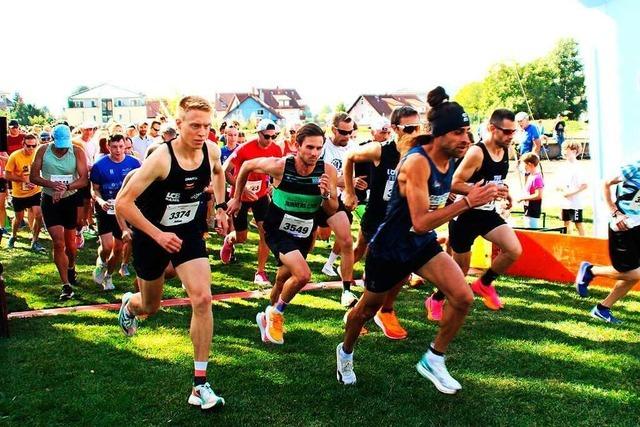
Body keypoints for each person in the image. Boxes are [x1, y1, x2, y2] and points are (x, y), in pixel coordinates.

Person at [336, 86, 498, 393]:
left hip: (420, 246)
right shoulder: (415, 162)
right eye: (458, 133)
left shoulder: (450, 157)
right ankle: (345, 352)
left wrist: (481, 192)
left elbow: (447, 185)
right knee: (365, 311)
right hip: (390, 248)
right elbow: (421, 222)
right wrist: (467, 203)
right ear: (438, 135)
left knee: (463, 297)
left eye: (467, 131)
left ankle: (434, 359)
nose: (466, 139)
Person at [115, 96, 228, 410]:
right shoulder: (161, 159)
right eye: (195, 125)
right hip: (152, 236)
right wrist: (157, 234)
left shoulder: (212, 150)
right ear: (179, 125)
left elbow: (218, 173)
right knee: (151, 306)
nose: (202, 132)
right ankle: (131, 304)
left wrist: (219, 207)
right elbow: (122, 203)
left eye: (207, 126)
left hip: (188, 233)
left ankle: (200, 385)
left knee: (203, 298)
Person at [227, 123, 338, 344]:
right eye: (309, 147)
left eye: (319, 148)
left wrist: (326, 195)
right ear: (297, 146)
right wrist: (237, 197)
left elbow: (332, 208)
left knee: (282, 279)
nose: (314, 153)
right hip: (277, 229)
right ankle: (277, 313)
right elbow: (247, 166)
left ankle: (265, 318)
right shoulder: (280, 166)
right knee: (304, 275)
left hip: (305, 231)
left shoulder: (327, 171)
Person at [427, 109, 522, 318]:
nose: (510, 136)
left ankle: (484, 284)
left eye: (513, 132)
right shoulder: (477, 152)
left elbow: (494, 180)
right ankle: (435, 299)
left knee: (513, 250)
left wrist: (505, 193)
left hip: (487, 213)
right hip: (465, 214)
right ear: (491, 128)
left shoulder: (506, 149)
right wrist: (484, 191)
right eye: (506, 132)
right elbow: (453, 183)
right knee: (459, 272)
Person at [342, 109, 419, 339]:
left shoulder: (418, 154)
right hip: (377, 218)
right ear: (395, 129)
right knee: (379, 270)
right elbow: (349, 158)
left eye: (418, 127)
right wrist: (349, 191)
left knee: (403, 267)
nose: (414, 133)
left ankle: (384, 310)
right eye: (408, 129)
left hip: (401, 220)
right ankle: (361, 311)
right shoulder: (379, 150)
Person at [575, 157, 640, 323]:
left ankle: (602, 309)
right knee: (632, 273)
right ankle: (591, 270)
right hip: (624, 225)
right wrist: (614, 212)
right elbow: (605, 183)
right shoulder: (634, 166)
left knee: (632, 275)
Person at [220, 119, 282, 285]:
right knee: (242, 237)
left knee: (265, 232)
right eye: (266, 136)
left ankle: (260, 272)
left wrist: (273, 186)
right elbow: (224, 171)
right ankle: (229, 240)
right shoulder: (244, 149)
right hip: (240, 196)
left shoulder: (276, 149)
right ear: (258, 133)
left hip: (261, 196)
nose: (270, 140)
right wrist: (241, 188)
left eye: (273, 136)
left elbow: (279, 172)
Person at [30, 124, 88, 300]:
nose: (63, 148)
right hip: (49, 199)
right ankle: (66, 285)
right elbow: (33, 177)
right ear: (52, 140)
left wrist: (65, 188)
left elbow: (84, 179)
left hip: (70, 199)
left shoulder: (77, 151)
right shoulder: (42, 151)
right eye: (60, 144)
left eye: (65, 144)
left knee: (71, 245)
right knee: (58, 242)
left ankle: (71, 266)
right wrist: (52, 185)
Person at [90, 134, 141, 290]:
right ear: (108, 146)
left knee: (118, 248)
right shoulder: (99, 165)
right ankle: (102, 261)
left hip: (124, 210)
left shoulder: (135, 163)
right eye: (114, 147)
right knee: (106, 247)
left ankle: (108, 276)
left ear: (126, 146)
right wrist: (100, 201)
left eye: (121, 147)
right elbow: (94, 190)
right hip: (105, 209)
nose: (118, 150)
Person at [318, 113, 359, 307]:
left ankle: (347, 291)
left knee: (347, 241)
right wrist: (349, 183)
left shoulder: (353, 148)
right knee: (310, 242)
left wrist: (351, 191)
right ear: (333, 129)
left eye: (350, 132)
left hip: (336, 201)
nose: (347, 136)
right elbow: (319, 177)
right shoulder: (321, 147)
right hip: (314, 200)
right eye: (343, 132)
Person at [4, 134, 45, 251]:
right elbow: (7, 174)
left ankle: (35, 240)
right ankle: (14, 235)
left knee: (39, 215)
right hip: (19, 193)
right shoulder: (15, 156)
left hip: (35, 192)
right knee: (18, 218)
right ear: (23, 144)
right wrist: (23, 179)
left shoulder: (38, 154)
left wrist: (37, 180)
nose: (31, 148)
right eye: (29, 146)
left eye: (34, 146)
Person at [558, 142, 588, 235]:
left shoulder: (578, 167)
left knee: (578, 223)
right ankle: (567, 243)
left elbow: (584, 185)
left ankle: (584, 242)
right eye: (563, 149)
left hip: (575, 202)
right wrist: (562, 190)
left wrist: (571, 193)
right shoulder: (563, 167)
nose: (563, 152)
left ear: (574, 151)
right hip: (565, 202)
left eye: (566, 150)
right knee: (566, 223)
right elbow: (559, 184)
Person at [517, 153, 544, 228]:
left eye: (523, 164)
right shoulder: (530, 176)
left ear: (530, 164)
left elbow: (539, 195)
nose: (522, 167)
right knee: (527, 227)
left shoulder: (537, 178)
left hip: (533, 207)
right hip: (528, 206)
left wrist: (523, 198)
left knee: (532, 229)